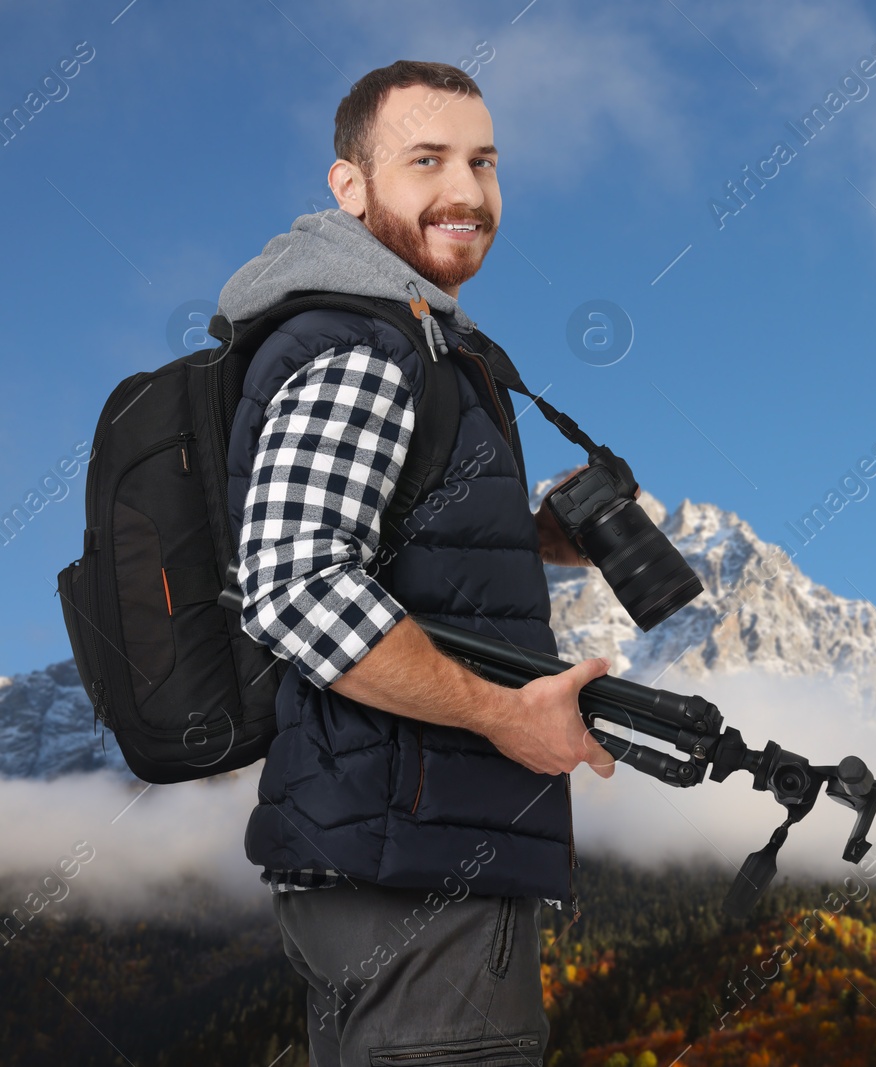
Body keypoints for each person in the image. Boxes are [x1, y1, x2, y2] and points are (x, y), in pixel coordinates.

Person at [217, 59, 616, 1066]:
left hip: (385, 857)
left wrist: (535, 541)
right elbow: (296, 583)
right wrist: (505, 715)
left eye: (483, 162)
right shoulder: (362, 340)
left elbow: (371, 545)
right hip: (419, 867)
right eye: (426, 159)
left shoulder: (407, 335)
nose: (466, 191)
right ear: (348, 187)